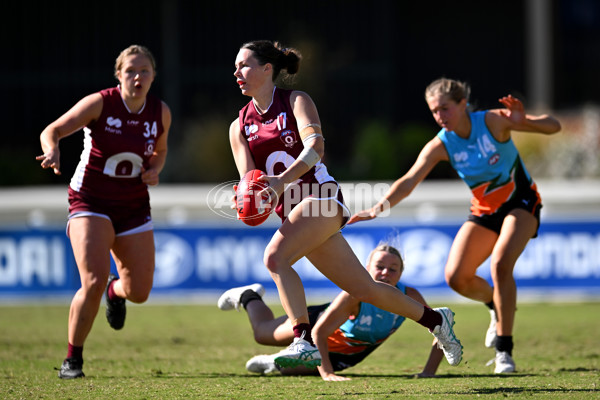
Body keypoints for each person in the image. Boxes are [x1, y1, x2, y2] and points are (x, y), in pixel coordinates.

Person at [227, 40, 462, 370]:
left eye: (244, 65)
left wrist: (281, 182)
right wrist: (248, 200)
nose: (236, 72)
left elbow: (315, 149)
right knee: (365, 289)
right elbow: (251, 181)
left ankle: (302, 340)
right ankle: (437, 320)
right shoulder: (238, 127)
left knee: (275, 258)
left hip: (321, 199)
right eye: (236, 66)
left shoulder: (295, 100)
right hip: (294, 209)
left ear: (268, 69)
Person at [349, 78, 561, 373]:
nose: (440, 116)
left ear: (463, 105)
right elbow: (409, 180)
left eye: (445, 109)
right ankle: (497, 307)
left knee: (500, 265)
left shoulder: (492, 122)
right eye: (434, 111)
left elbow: (554, 126)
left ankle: (504, 351)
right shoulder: (442, 143)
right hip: (484, 212)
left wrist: (524, 120)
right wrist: (378, 208)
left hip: (522, 203)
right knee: (456, 277)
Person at [36, 44, 172, 379]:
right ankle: (73, 359)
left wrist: (155, 168)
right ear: (118, 75)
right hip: (90, 201)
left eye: (144, 71)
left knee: (139, 292)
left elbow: (160, 150)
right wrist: (52, 149)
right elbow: (51, 130)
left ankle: (116, 291)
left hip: (134, 204)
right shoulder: (101, 102)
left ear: (154, 76)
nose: (137, 77)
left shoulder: (160, 111)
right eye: (130, 71)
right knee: (92, 280)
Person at [218, 244, 444, 381]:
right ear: (366, 269)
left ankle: (277, 361)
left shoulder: (410, 296)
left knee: (290, 371)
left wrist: (429, 372)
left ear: (401, 273)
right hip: (316, 324)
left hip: (345, 355)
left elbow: (441, 331)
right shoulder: (355, 295)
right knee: (262, 334)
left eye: (393, 269)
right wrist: (327, 375)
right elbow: (318, 334)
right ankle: (248, 296)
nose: (386, 273)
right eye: (379, 267)